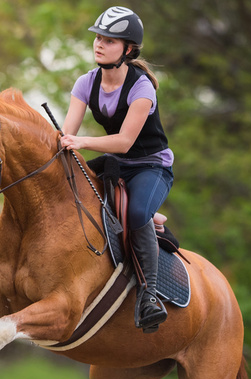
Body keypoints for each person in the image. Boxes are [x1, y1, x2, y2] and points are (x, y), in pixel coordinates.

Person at [61, 6, 174, 333]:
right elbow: (67, 132)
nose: (99, 44)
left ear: (128, 49)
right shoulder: (86, 83)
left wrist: (80, 143)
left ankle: (149, 297)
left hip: (151, 167)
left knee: (136, 213)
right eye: (98, 37)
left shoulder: (142, 88)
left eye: (109, 40)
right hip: (117, 165)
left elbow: (124, 141)